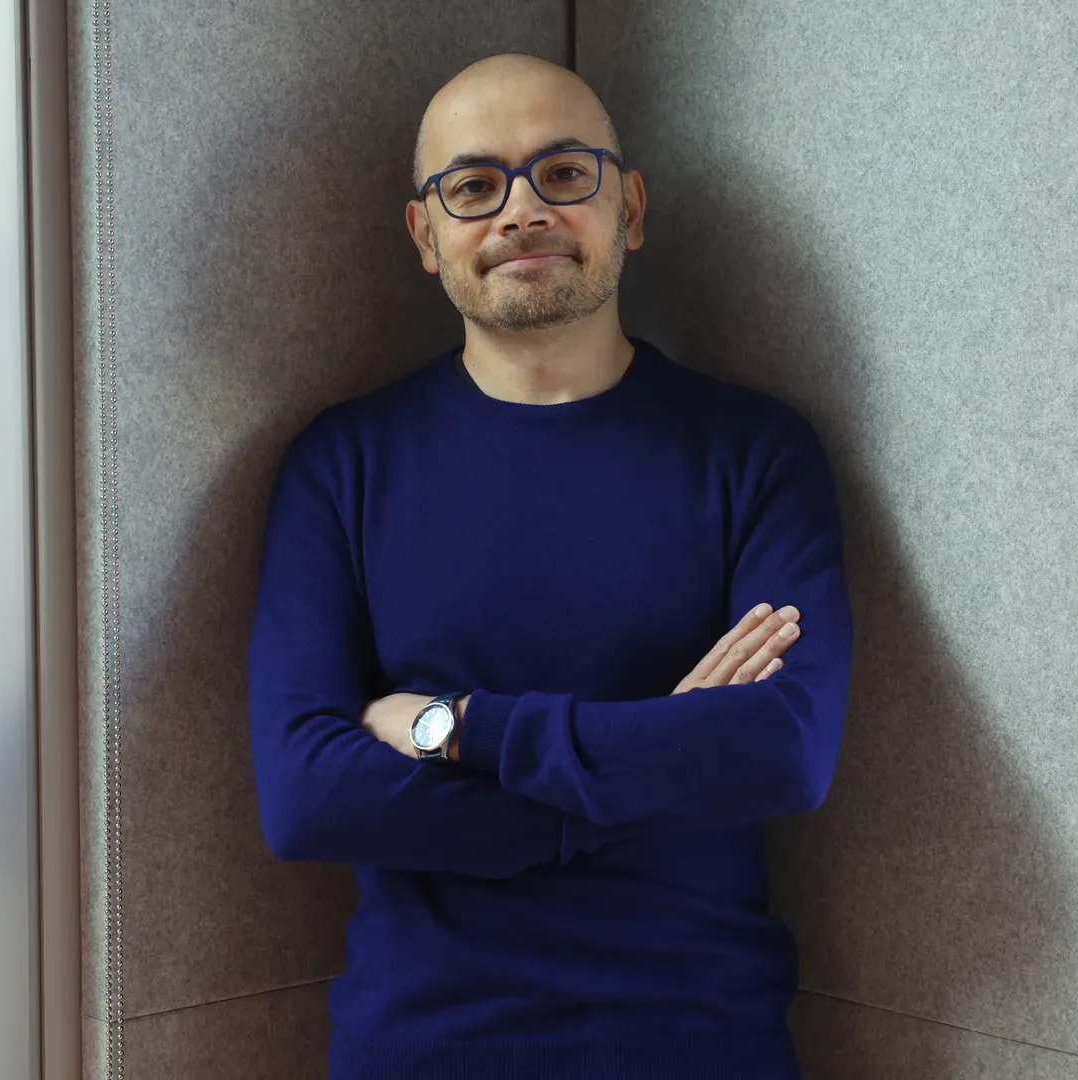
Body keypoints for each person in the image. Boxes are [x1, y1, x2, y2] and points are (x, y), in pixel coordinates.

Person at [247, 50, 853, 1080]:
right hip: (422, 1052)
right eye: (474, 186)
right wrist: (658, 754)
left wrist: (456, 728)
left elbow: (783, 749)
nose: (522, 210)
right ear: (425, 236)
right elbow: (309, 798)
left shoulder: (755, 453)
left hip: (700, 1046)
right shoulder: (342, 465)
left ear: (631, 209)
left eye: (565, 173)